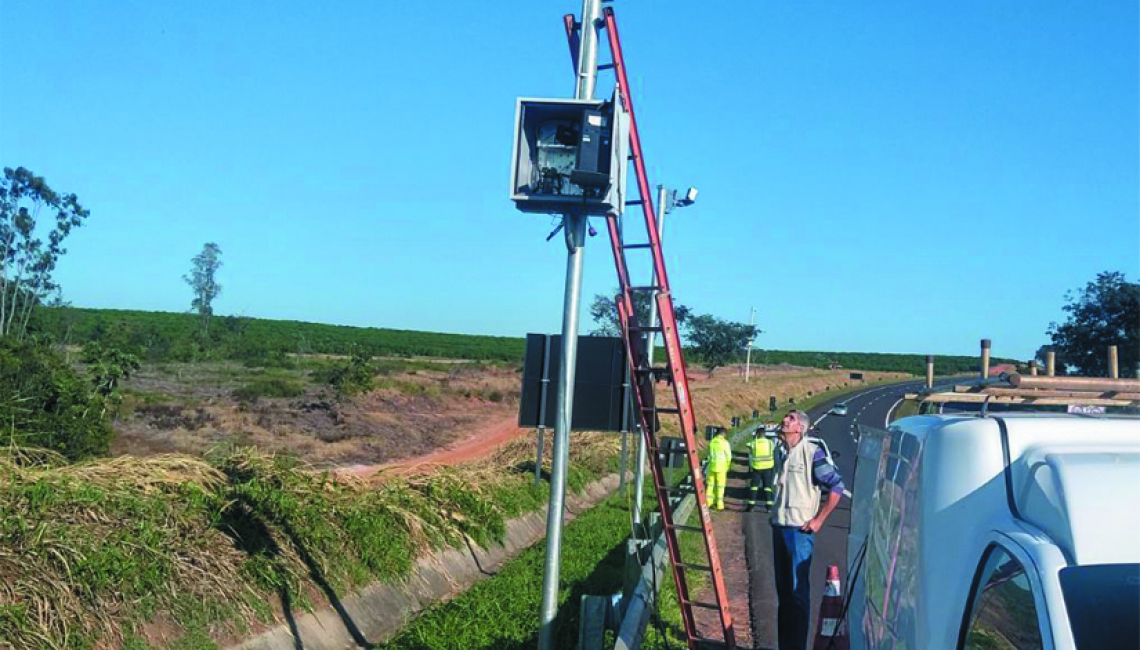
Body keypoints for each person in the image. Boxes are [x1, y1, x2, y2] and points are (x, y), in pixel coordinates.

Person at [770, 409, 844, 650]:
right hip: (779, 527)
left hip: (798, 532)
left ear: (800, 428)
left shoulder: (812, 453)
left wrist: (819, 519)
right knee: (784, 594)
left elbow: (836, 486)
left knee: (797, 592)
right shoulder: (779, 452)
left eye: (790, 418)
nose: (784, 420)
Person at [746, 425, 776, 512]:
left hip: (757, 468)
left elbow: (748, 445)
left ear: (757, 434)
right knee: (767, 487)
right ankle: (769, 506)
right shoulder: (770, 443)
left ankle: (751, 506)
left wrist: (754, 438)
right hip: (768, 468)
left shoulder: (754, 443)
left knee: (754, 487)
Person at [706, 427, 733, 511]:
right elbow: (729, 457)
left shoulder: (712, 442)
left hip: (711, 466)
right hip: (721, 468)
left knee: (710, 486)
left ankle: (708, 503)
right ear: (723, 434)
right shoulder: (725, 443)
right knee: (720, 487)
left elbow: (710, 455)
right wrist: (728, 467)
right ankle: (719, 505)